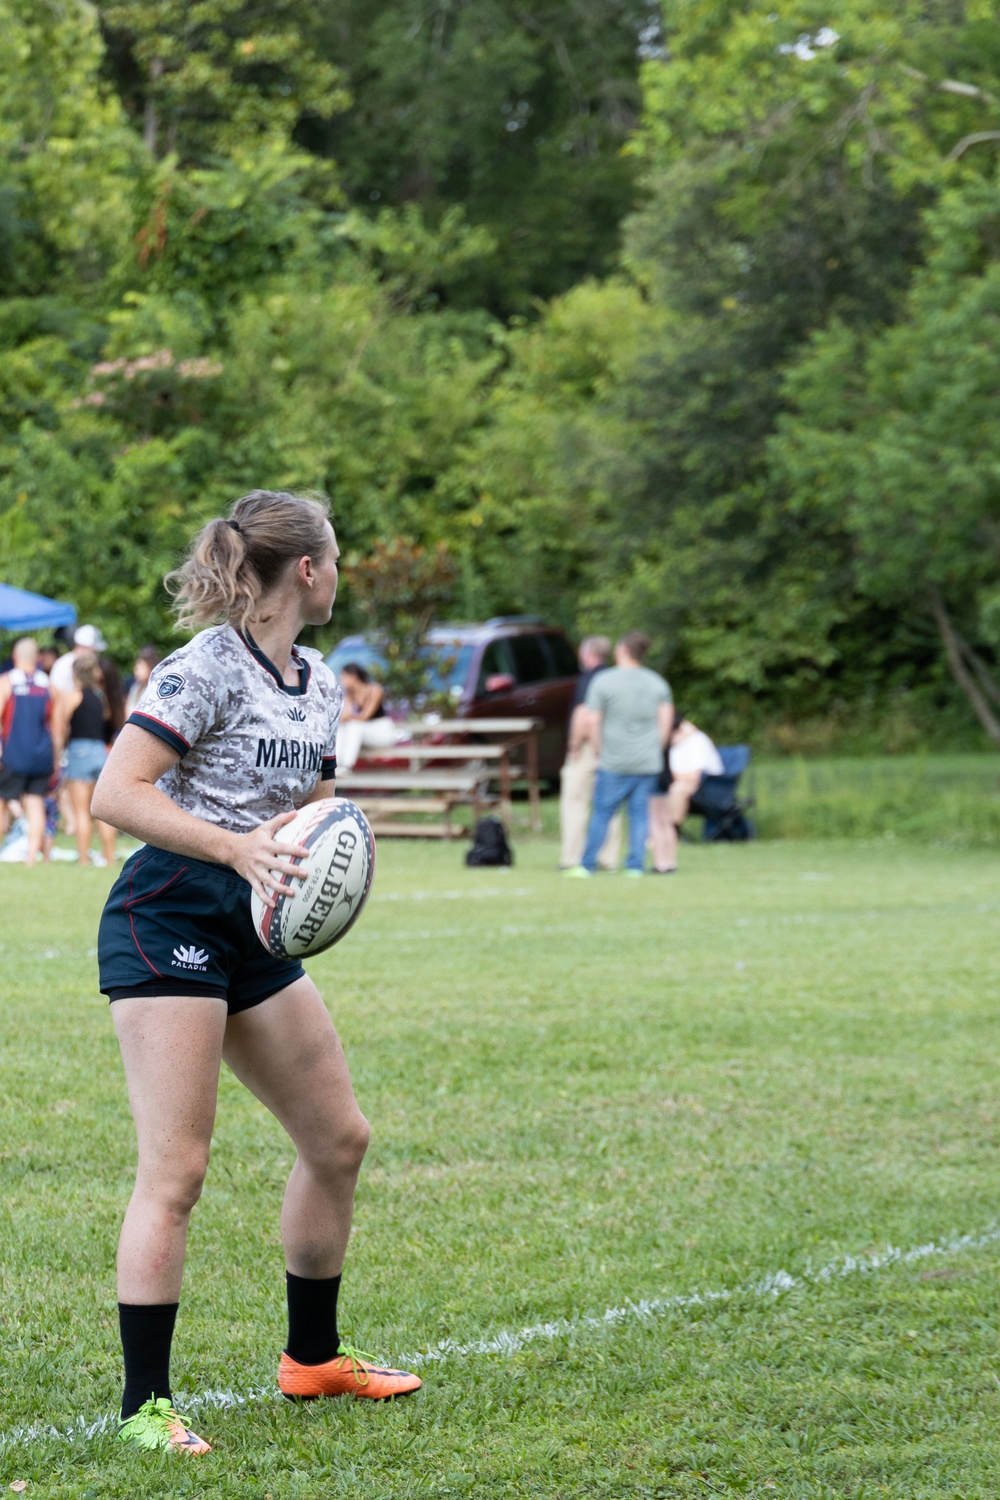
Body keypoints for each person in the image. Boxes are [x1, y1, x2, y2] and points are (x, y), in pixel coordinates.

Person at [90, 489, 420, 1457]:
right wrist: (236, 849)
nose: (342, 570)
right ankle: (143, 1407)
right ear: (307, 572)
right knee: (178, 1168)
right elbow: (117, 791)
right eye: (338, 556)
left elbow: (313, 813)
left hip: (255, 927)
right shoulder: (204, 669)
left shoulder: (319, 682)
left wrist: (332, 862)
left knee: (339, 1138)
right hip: (171, 915)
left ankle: (311, 1360)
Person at [564, 632, 673, 878]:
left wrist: (600, 749)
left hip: (614, 760)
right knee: (638, 814)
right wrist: (656, 749)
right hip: (647, 761)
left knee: (602, 812)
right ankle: (635, 865)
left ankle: (587, 864)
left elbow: (592, 721)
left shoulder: (604, 682)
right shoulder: (657, 683)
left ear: (623, 650)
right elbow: (665, 722)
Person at [558, 635, 620, 871]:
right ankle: (609, 858)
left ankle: (572, 857)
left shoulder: (589, 679)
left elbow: (583, 715)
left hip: (588, 749)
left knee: (575, 802)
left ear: (589, 654)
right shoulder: (615, 677)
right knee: (608, 805)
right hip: (613, 747)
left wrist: (574, 745)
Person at [51, 651, 119, 866]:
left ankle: (83, 858)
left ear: (76, 673)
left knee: (81, 811)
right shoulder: (101, 698)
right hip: (100, 752)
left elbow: (59, 728)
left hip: (79, 752)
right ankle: (109, 857)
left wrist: (56, 755)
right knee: (103, 811)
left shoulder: (74, 695)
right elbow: (106, 719)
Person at [0, 638, 54, 865]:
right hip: (42, 753)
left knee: (2, 802)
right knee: (35, 804)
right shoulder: (47, 683)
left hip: (14, 751)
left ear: (15, 656)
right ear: (37, 658)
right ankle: (32, 856)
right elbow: (53, 722)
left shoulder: (8, 681)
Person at [648, 714, 724, 874]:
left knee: (677, 789)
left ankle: (672, 830)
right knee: (662, 791)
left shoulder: (696, 741)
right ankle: (661, 836)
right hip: (681, 784)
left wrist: (671, 777)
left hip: (710, 789)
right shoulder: (672, 745)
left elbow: (693, 777)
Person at [335, 662, 400, 771]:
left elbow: (365, 716)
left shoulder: (375, 688)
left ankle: (346, 766)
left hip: (382, 732)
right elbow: (344, 717)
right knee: (344, 727)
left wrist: (348, 718)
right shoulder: (350, 693)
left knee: (354, 726)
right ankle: (335, 764)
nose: (341, 679)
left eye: (344, 676)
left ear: (353, 676)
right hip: (366, 732)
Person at [47, 623, 108, 698]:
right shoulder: (63, 665)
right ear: (82, 646)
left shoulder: (92, 666)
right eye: (94, 651)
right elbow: (56, 695)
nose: (96, 655)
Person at [124, 646, 161, 717]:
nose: (136, 670)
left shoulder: (155, 689)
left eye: (141, 667)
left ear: (150, 667)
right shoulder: (136, 687)